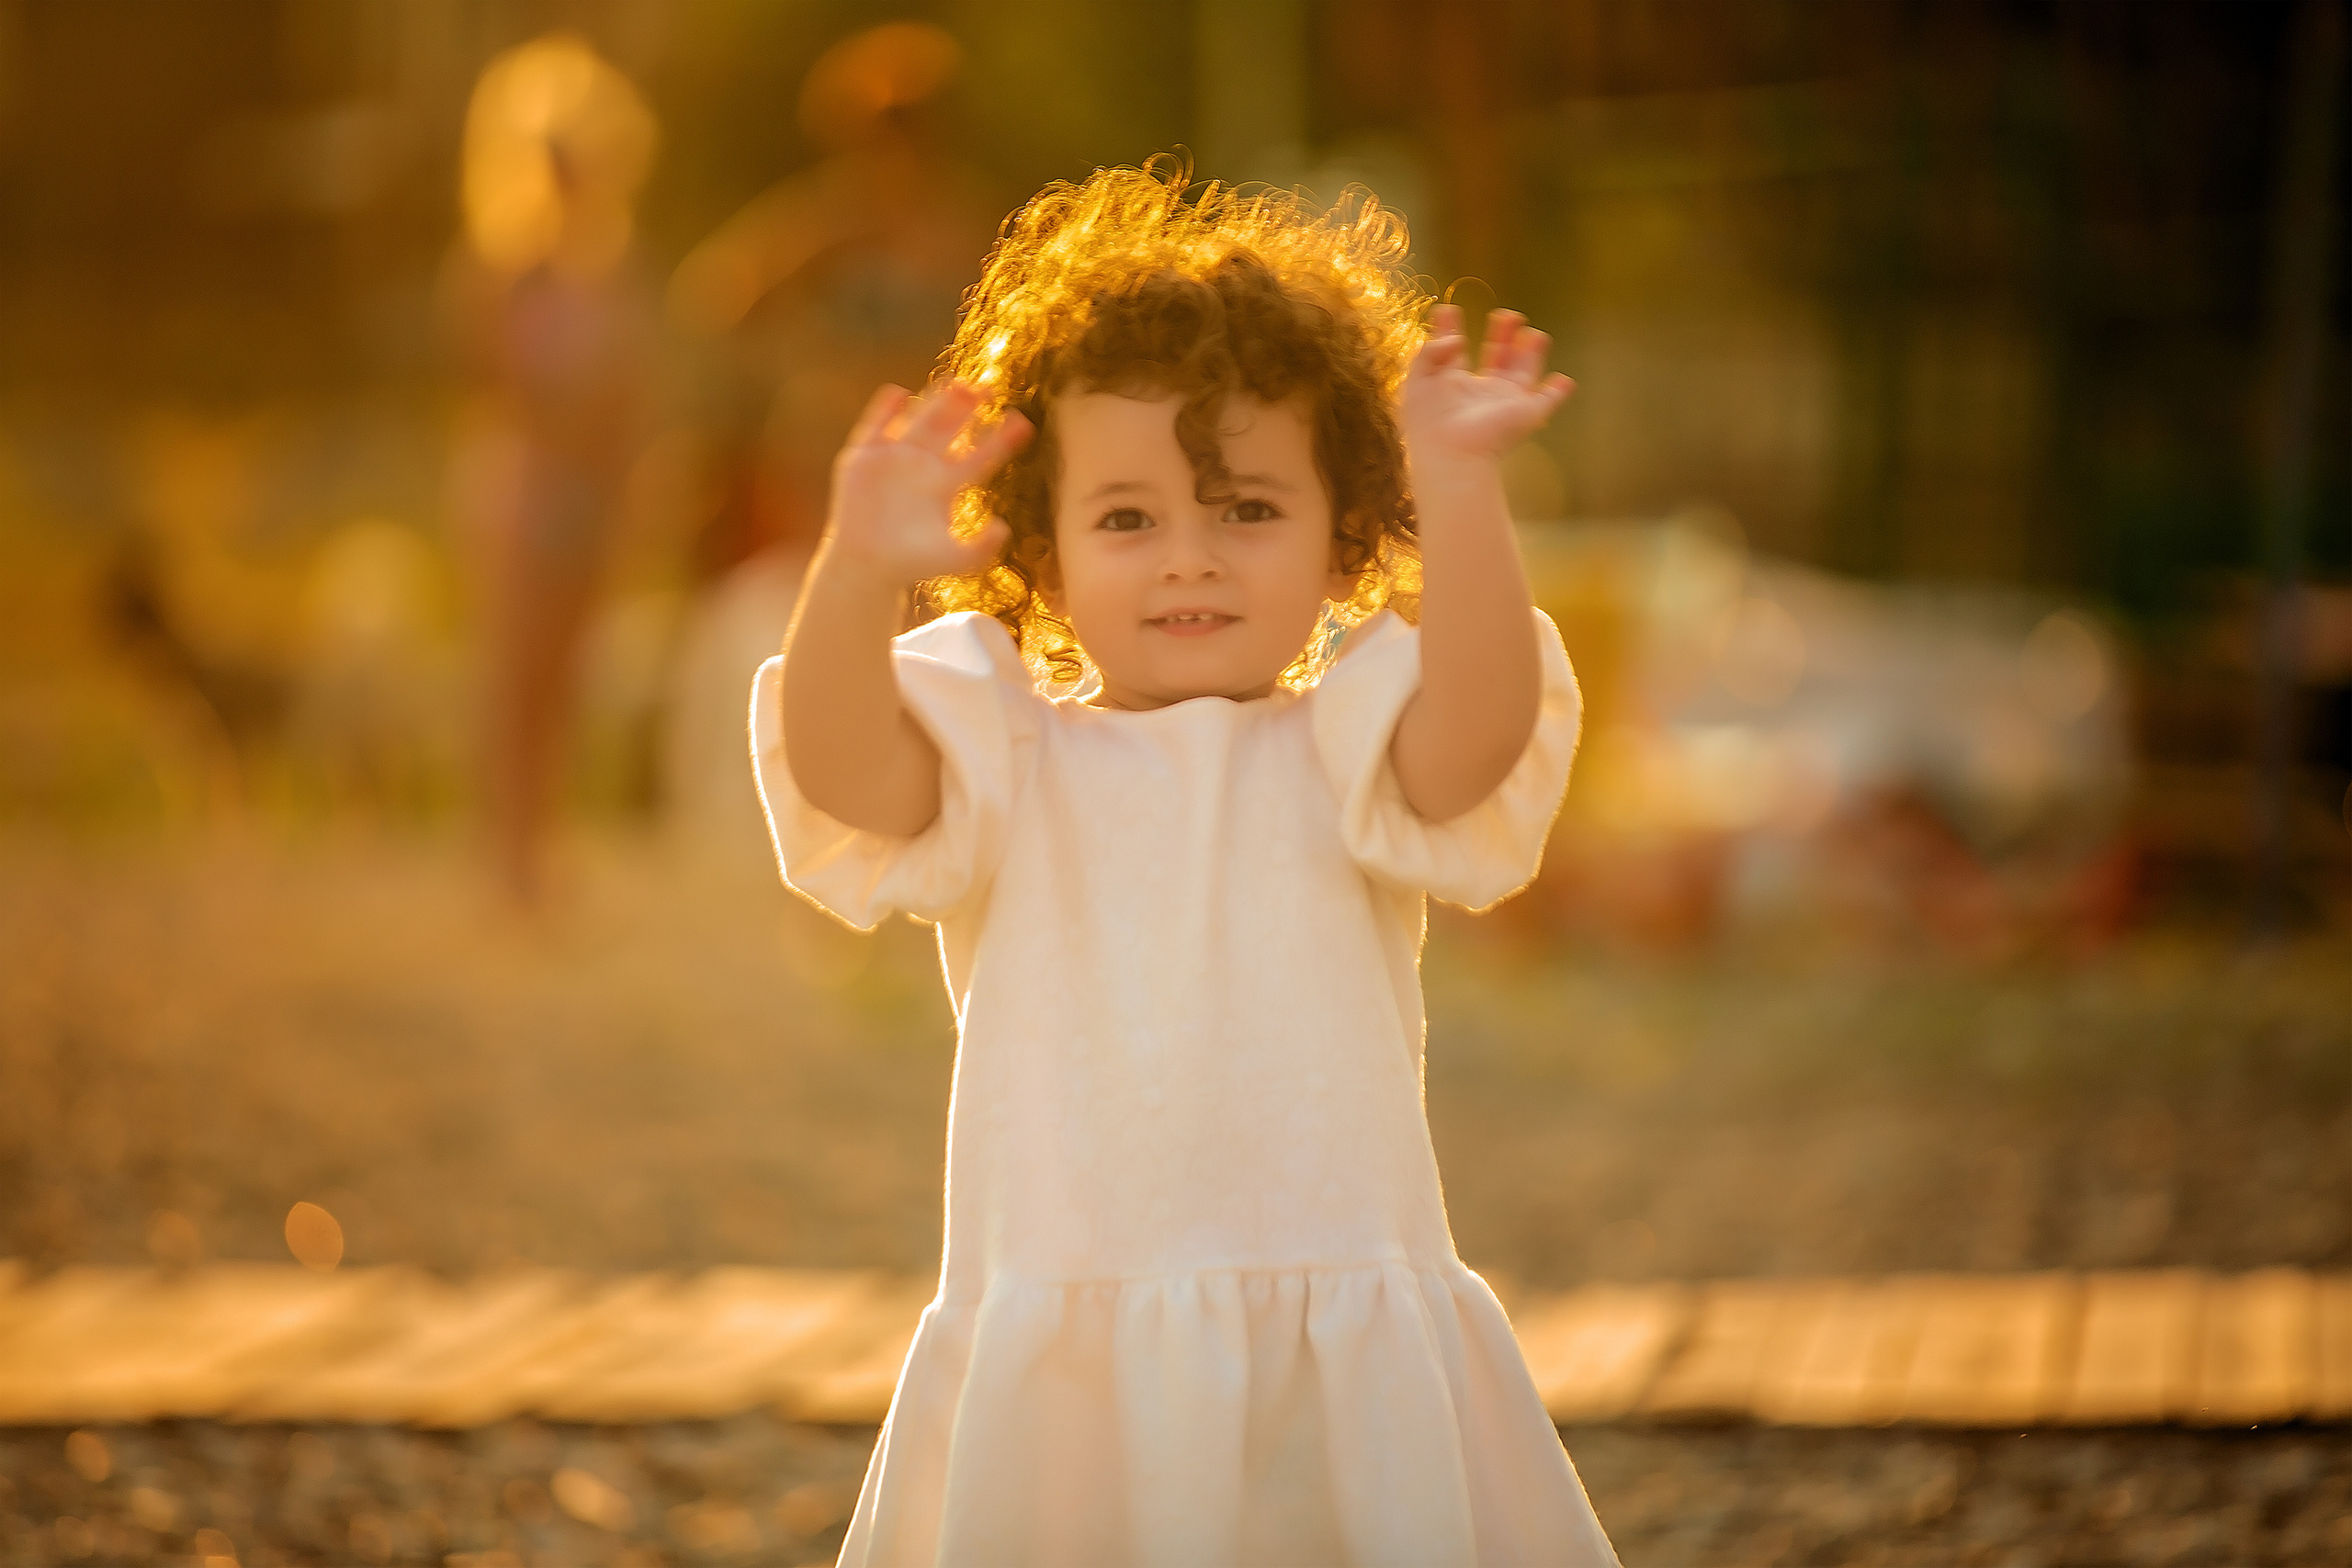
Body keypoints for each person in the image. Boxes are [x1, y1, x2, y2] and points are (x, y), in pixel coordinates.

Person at [752, 162, 1618, 1566]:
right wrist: (856, 569)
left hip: (1333, 1306)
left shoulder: (1353, 742)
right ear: (1038, 545)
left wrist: (1460, 487)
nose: (1189, 562)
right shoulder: (1008, 755)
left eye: (1249, 510)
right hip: (1074, 1319)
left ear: (1348, 531)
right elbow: (845, 771)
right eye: (1129, 518)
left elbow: (1480, 734)